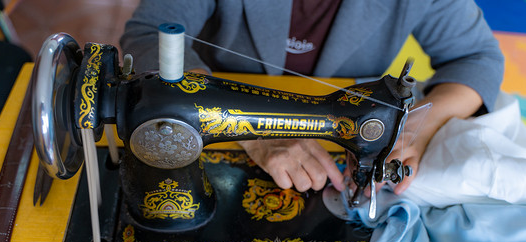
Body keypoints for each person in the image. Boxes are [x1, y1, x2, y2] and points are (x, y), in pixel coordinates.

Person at [120, 0, 504, 195]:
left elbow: (477, 58)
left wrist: (417, 128)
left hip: (333, 137)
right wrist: (254, 127)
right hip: (219, 135)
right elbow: (150, 33)